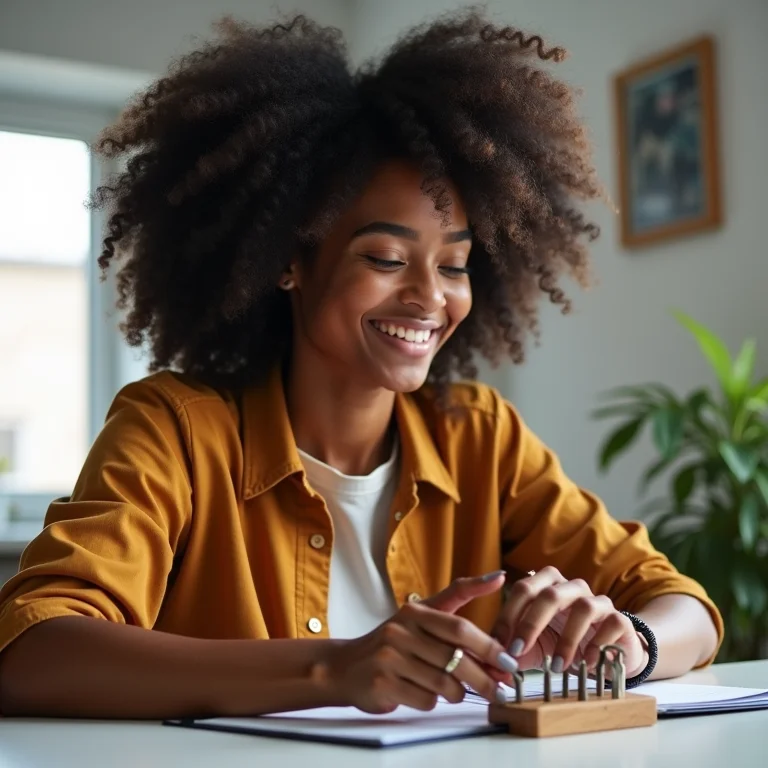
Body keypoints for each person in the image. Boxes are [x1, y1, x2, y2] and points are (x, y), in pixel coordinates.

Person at [0, 11, 721, 719]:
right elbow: (30, 654)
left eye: (456, 265)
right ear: (288, 259)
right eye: (385, 258)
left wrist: (629, 642)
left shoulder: (481, 438)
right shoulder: (175, 429)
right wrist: (332, 667)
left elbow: (684, 605)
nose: (430, 297)